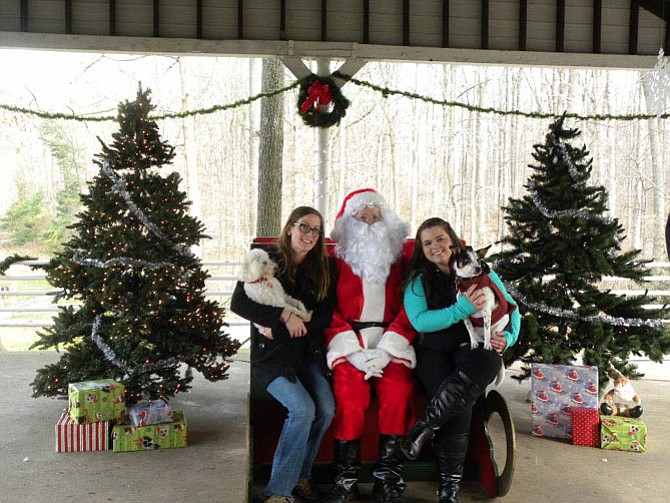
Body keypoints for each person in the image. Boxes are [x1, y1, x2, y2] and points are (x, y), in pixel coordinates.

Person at [400, 217, 520, 503]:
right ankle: (448, 490)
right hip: (434, 349)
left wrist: (510, 337)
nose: (435, 247)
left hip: (472, 344)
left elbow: (511, 308)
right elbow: (419, 321)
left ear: (452, 240)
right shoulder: (419, 279)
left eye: (439, 239)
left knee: (488, 363)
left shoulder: (480, 270)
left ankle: (424, 427)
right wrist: (460, 308)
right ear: (422, 249)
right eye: (427, 243)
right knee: (460, 402)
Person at [230, 206, 336, 503]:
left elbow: (324, 317)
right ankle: (278, 492)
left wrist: (278, 327)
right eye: (304, 227)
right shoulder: (266, 259)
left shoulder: (326, 269)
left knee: (325, 409)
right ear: (290, 227)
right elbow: (238, 303)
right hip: (272, 359)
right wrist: (284, 316)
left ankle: (301, 476)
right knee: (302, 410)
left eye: (316, 230)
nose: (310, 235)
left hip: (307, 354)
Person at [323, 188, 417, 503]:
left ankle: (388, 479)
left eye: (375, 217)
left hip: (392, 343)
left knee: (399, 395)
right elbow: (326, 310)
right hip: (349, 344)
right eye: (361, 217)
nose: (368, 222)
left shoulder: (401, 261)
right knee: (349, 400)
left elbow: (412, 308)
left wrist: (388, 348)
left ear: (386, 221)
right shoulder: (333, 262)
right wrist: (352, 351)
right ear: (347, 222)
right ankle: (346, 481)